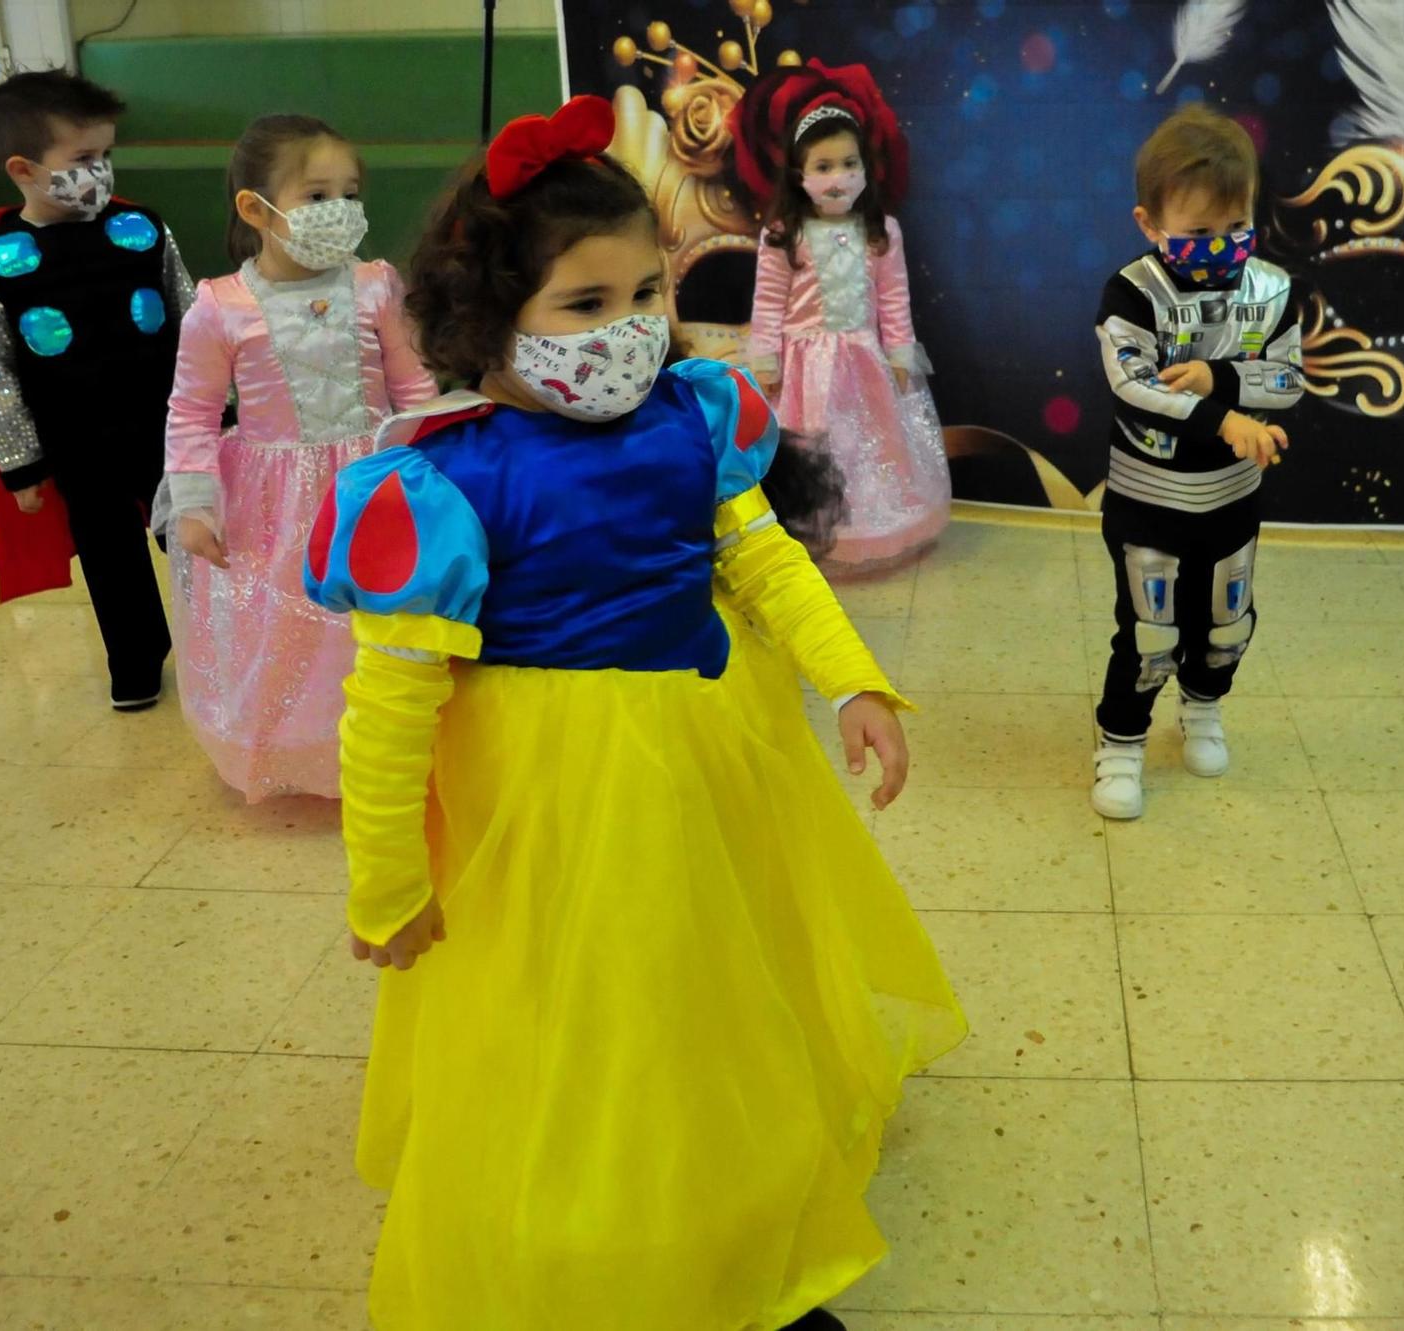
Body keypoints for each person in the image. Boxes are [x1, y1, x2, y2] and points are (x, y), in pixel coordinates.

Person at [303, 96, 966, 1331]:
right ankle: (600, 1231)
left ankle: (734, 1205)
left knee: (708, 976)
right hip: (553, 801)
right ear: (486, 317)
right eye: (583, 306)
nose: (626, 333)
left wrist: (853, 678)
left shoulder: (694, 414)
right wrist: (384, 879)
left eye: (645, 297)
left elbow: (764, 563)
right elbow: (386, 711)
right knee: (587, 1012)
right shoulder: (438, 485)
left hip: (708, 752)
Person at [152, 114, 434, 799]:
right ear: (256, 208)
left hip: (374, 483)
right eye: (316, 196)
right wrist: (193, 505)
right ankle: (296, 747)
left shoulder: (374, 286)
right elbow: (190, 411)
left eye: (350, 193)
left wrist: (439, 455)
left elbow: (413, 382)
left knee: (374, 620)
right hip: (273, 501)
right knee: (285, 626)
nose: (338, 211)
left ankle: (388, 739)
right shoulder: (220, 308)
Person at [1089, 105, 1305, 819]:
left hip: (1232, 498)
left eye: (1233, 227)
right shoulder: (1131, 292)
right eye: (1197, 233)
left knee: (1227, 624)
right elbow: (1132, 383)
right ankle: (1120, 742)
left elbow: (1290, 376)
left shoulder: (1270, 289)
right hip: (1149, 499)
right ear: (1149, 222)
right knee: (1151, 633)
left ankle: (1204, 710)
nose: (1218, 247)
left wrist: (1223, 380)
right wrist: (1224, 417)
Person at [0, 69, 189, 710]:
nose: (100, 171)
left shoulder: (142, 230)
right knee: (110, 554)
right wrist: (21, 460)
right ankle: (136, 659)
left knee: (194, 533)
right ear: (23, 169)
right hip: (77, 439)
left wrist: (220, 408)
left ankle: (223, 639)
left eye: (106, 155)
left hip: (166, 425)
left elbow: (190, 314)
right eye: (83, 159)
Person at [732, 59, 951, 573]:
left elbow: (895, 300)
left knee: (871, 449)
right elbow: (766, 305)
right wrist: (765, 362)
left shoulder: (881, 231)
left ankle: (867, 528)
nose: (837, 178)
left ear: (865, 168)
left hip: (864, 363)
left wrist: (900, 353)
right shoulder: (785, 234)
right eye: (824, 167)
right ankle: (808, 530)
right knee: (816, 450)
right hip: (805, 370)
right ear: (799, 174)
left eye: (848, 164)